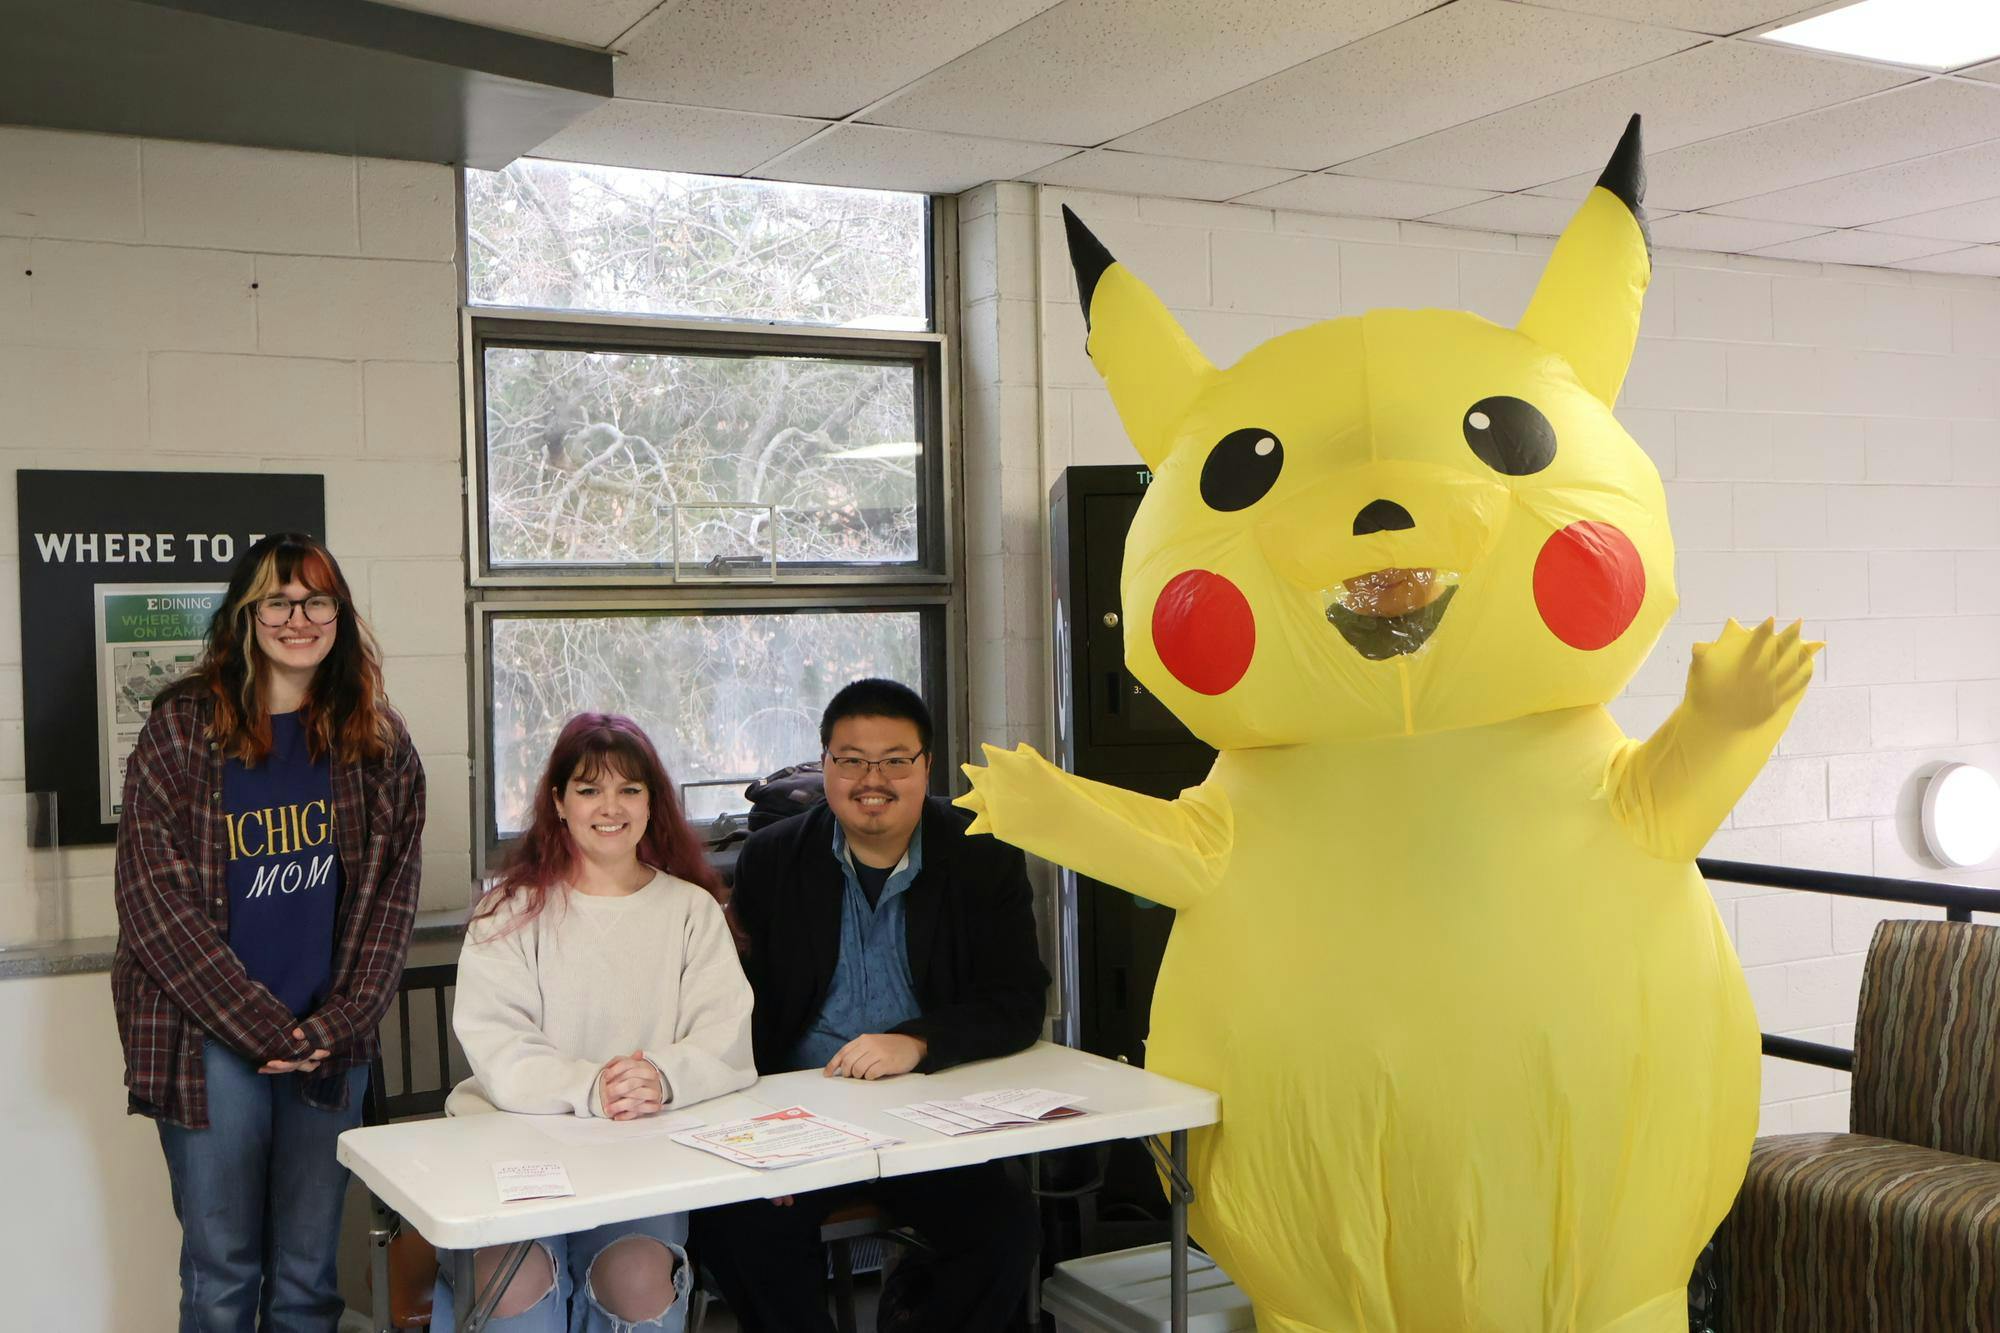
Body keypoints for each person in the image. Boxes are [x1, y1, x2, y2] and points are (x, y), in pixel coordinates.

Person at [112, 532, 427, 1332]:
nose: (299, 617)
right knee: (221, 1275)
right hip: (207, 1041)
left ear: (340, 614)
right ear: (245, 615)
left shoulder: (379, 745)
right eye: (278, 600)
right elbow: (151, 901)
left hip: (328, 1039)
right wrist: (262, 1027)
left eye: (317, 598)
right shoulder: (182, 729)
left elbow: (392, 907)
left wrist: (336, 1023)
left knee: (308, 1277)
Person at [696, 678, 1049, 1332]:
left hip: (929, 1110)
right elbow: (734, 1005)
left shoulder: (980, 853)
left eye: (895, 759)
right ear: (825, 765)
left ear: (927, 766)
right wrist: (755, 1125)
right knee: (738, 1226)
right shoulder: (774, 859)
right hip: (800, 1117)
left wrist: (917, 1041)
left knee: (1005, 1226)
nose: (872, 778)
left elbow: (1019, 999)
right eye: (851, 759)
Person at [432, 713, 756, 1333]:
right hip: (519, 1151)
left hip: (645, 1155)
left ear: (652, 803)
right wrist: (589, 1088)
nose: (611, 807)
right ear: (558, 802)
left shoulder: (691, 910)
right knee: (516, 1281)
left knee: (636, 1279)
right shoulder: (510, 911)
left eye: (629, 789)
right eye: (588, 790)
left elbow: (724, 1033)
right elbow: (498, 1043)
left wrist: (659, 1078)